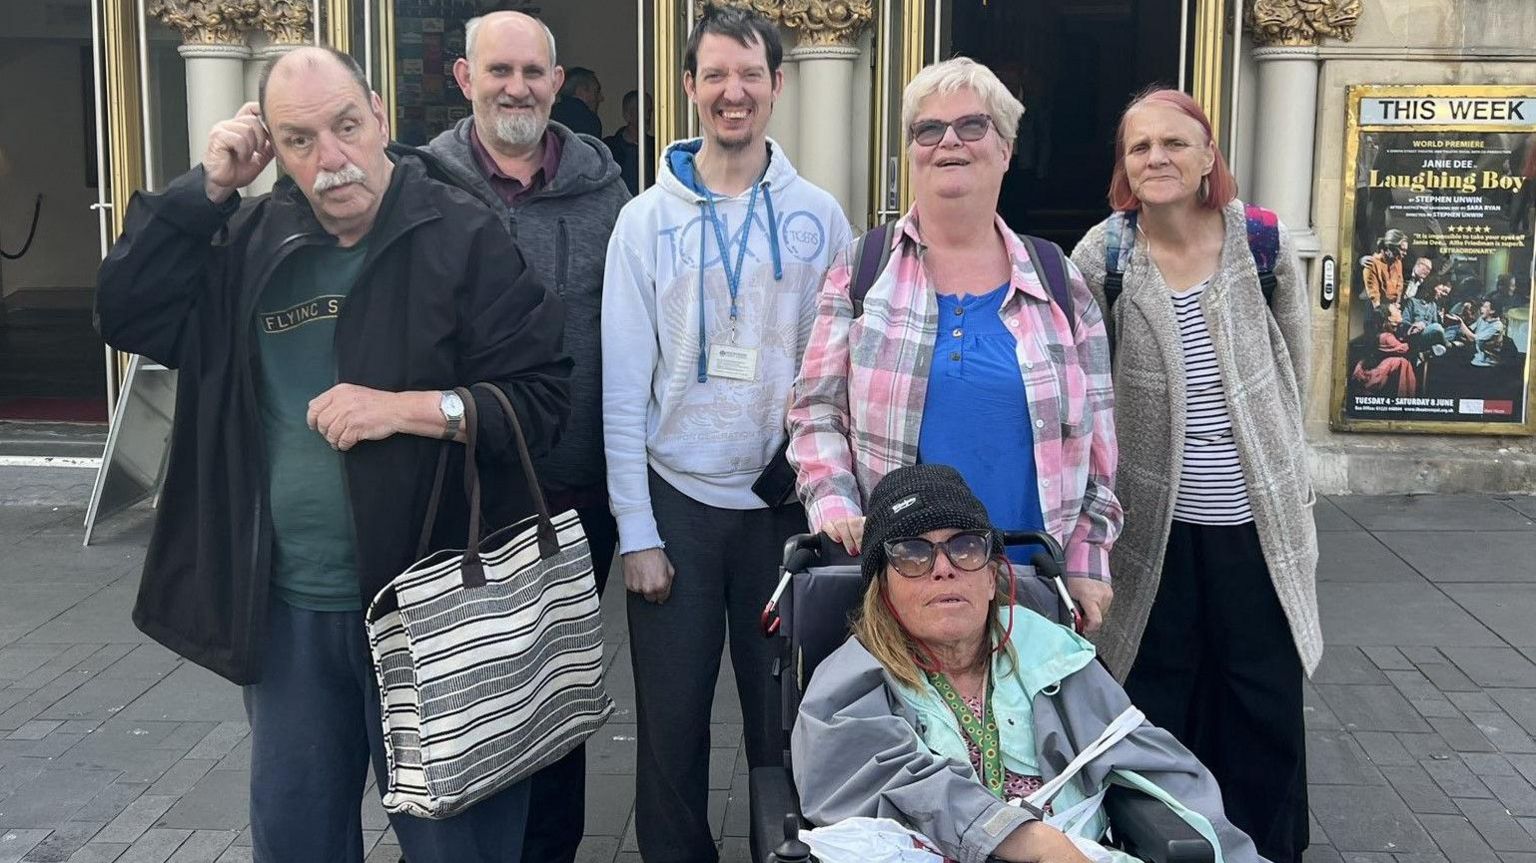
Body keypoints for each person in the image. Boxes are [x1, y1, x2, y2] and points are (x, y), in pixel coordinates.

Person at [95, 47, 570, 863]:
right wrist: (205, 190)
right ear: (271, 150)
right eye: (301, 139)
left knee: (458, 846)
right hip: (289, 613)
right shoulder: (248, 241)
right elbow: (127, 312)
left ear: (380, 114)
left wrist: (408, 409)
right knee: (298, 841)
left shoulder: (460, 233)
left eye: (346, 126)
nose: (333, 159)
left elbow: (541, 400)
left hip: (434, 609)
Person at [601, 5, 852, 860]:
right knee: (669, 729)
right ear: (689, 86)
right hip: (677, 508)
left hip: (782, 513)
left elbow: (840, 372)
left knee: (785, 724)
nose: (732, 93)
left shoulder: (821, 218)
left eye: (750, 75)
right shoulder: (643, 222)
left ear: (778, 85)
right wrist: (636, 530)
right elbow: (622, 388)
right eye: (715, 75)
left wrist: (828, 501)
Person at [1069, 88, 1318, 863]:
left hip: (1255, 524)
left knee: (1263, 701)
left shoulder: (1262, 245)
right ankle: (1167, 843)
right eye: (1140, 147)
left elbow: (1293, 372)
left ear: (1208, 156)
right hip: (1152, 530)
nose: (1157, 159)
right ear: (1124, 166)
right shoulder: (1102, 256)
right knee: (1156, 693)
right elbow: (1088, 386)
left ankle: (1264, 848)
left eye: (1174, 143)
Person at [787, 57, 1120, 632]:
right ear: (912, 150)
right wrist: (835, 505)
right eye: (928, 129)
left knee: (1026, 724)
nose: (949, 142)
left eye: (972, 126)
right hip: (903, 587)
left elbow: (1100, 453)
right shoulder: (863, 270)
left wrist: (1089, 563)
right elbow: (815, 410)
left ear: (1006, 148)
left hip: (1029, 585)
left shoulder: (1059, 281)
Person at [792, 464, 1269, 863]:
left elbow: (1165, 773)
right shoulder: (850, 683)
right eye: (912, 553)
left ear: (993, 574)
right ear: (884, 587)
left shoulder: (1056, 657)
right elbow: (889, 786)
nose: (943, 567)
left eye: (964, 547)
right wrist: (1032, 840)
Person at [425, 11, 630, 863]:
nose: (517, 87)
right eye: (498, 70)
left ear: (556, 80)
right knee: (459, 684)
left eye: (533, 72)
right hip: (454, 490)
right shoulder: (420, 186)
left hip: (574, 491)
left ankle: (548, 852)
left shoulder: (607, 193)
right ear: (465, 79)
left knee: (554, 687)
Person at [1351, 309, 1417, 396]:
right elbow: (1404, 349)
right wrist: (1411, 335)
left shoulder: (1385, 334)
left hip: (1377, 370)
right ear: (1389, 319)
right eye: (1396, 309)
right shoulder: (1386, 337)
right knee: (1401, 361)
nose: (1399, 308)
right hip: (1376, 375)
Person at [606, 89, 658, 195]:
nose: (648, 117)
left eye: (649, 111)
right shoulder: (609, 149)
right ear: (627, 114)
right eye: (642, 111)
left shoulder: (656, 146)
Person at [551, 65, 604, 137]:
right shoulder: (589, 121)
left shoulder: (549, 114)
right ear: (580, 91)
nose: (601, 98)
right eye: (596, 92)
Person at [1361, 228, 1408, 308]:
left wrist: (1397, 304)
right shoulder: (1372, 264)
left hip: (1393, 307)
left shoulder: (1398, 262)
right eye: (1402, 250)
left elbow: (1400, 285)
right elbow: (1374, 297)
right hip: (1377, 309)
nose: (1405, 254)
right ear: (1390, 247)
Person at [1472, 298, 1506, 367]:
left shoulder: (1497, 326)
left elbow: (1475, 338)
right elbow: (1470, 330)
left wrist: (1461, 324)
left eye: (1484, 307)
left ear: (1492, 311)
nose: (1481, 308)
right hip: (1477, 357)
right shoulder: (1481, 319)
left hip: (1488, 363)